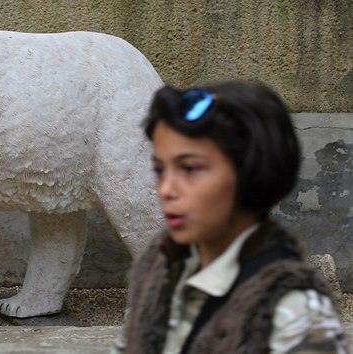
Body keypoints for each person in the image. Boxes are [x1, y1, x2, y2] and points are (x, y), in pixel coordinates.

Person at [114, 81, 347, 354]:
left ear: (252, 174)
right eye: (160, 169)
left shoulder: (294, 315)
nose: (166, 189)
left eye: (190, 168)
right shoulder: (156, 278)